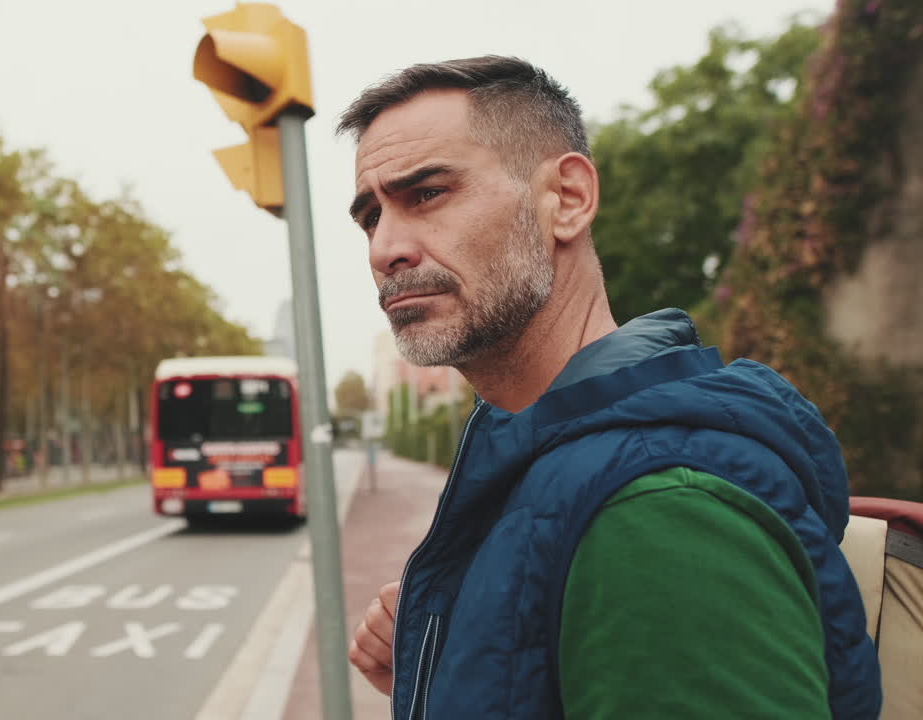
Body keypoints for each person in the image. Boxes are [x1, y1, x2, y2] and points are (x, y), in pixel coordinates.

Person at [338, 56, 881, 719]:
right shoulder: (547, 457)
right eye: (370, 216)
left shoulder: (660, 511)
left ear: (567, 200)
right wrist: (460, 666)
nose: (384, 247)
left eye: (427, 194)